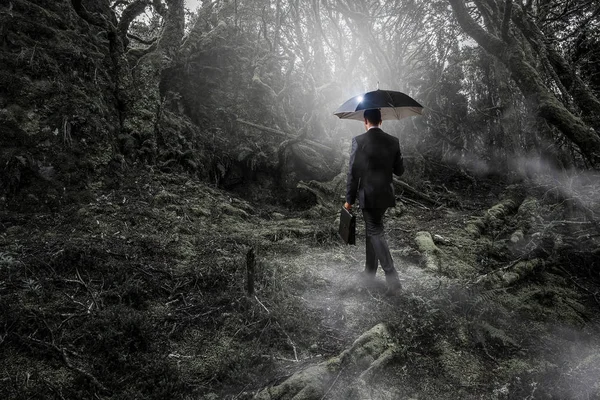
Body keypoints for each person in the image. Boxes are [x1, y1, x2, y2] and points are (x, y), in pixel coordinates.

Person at [344, 108, 404, 295]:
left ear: (365, 121)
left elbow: (353, 174)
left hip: (368, 196)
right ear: (381, 121)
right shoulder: (393, 141)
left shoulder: (359, 141)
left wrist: (349, 200)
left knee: (375, 230)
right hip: (385, 196)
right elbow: (399, 170)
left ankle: (393, 281)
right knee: (373, 230)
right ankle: (370, 272)